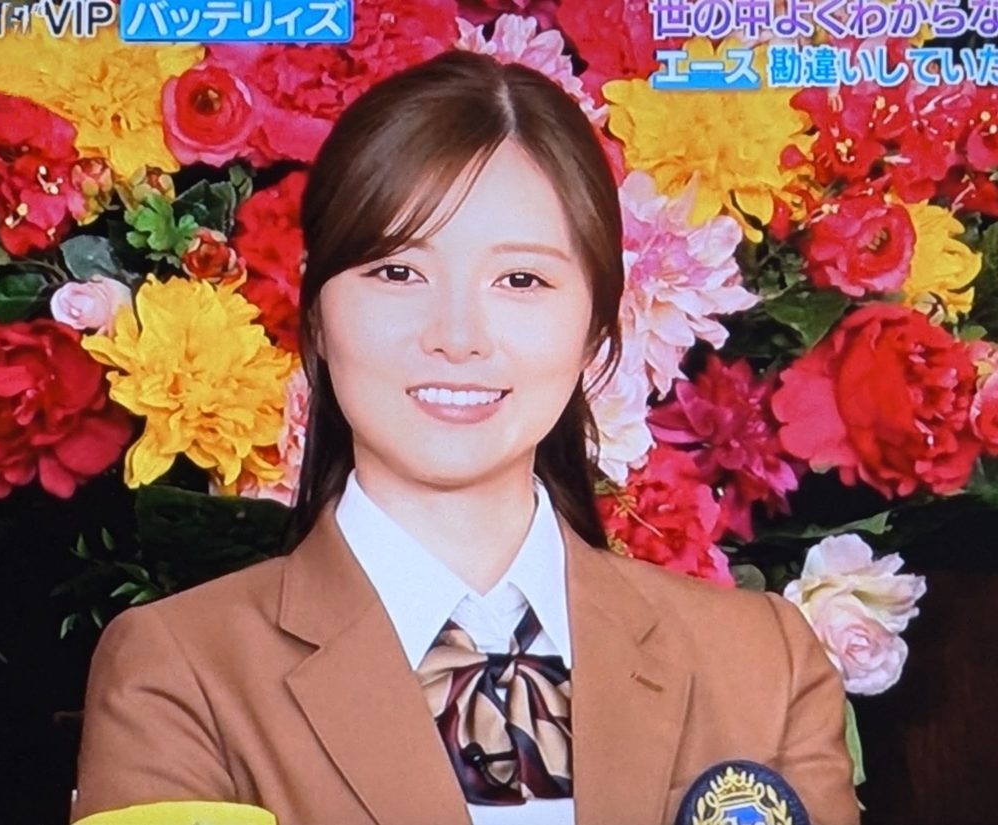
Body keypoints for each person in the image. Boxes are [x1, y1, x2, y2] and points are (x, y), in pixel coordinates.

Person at [72, 51, 860, 825]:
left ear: (596, 326)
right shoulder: (183, 670)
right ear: (316, 312)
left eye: (521, 280)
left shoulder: (761, 663)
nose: (456, 336)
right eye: (397, 272)